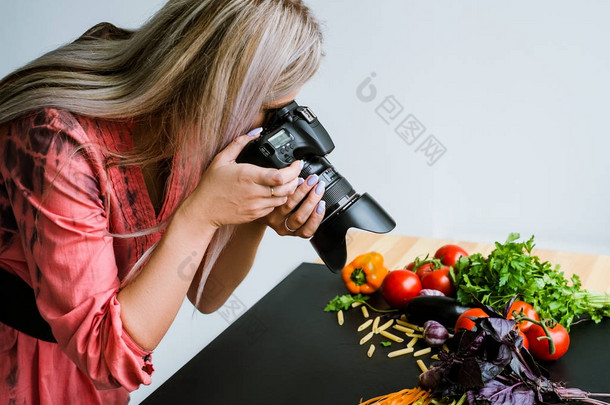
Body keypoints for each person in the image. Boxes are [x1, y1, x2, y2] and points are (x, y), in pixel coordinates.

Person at [0, 0, 325, 403]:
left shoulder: (189, 129)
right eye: (270, 111)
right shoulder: (55, 140)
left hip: (88, 372)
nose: (272, 129)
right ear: (218, 87)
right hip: (21, 365)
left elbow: (208, 294)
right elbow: (106, 357)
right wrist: (201, 216)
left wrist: (256, 212)